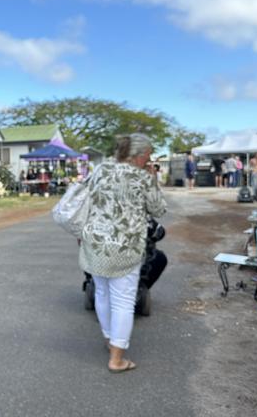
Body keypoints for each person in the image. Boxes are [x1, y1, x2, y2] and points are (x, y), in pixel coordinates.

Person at [79, 133, 166, 373]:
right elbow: (159, 208)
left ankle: (110, 341)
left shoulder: (100, 170)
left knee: (103, 294)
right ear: (137, 157)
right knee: (123, 300)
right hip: (124, 246)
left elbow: (85, 200)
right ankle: (116, 359)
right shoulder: (141, 177)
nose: (149, 162)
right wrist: (153, 178)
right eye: (147, 157)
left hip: (96, 242)